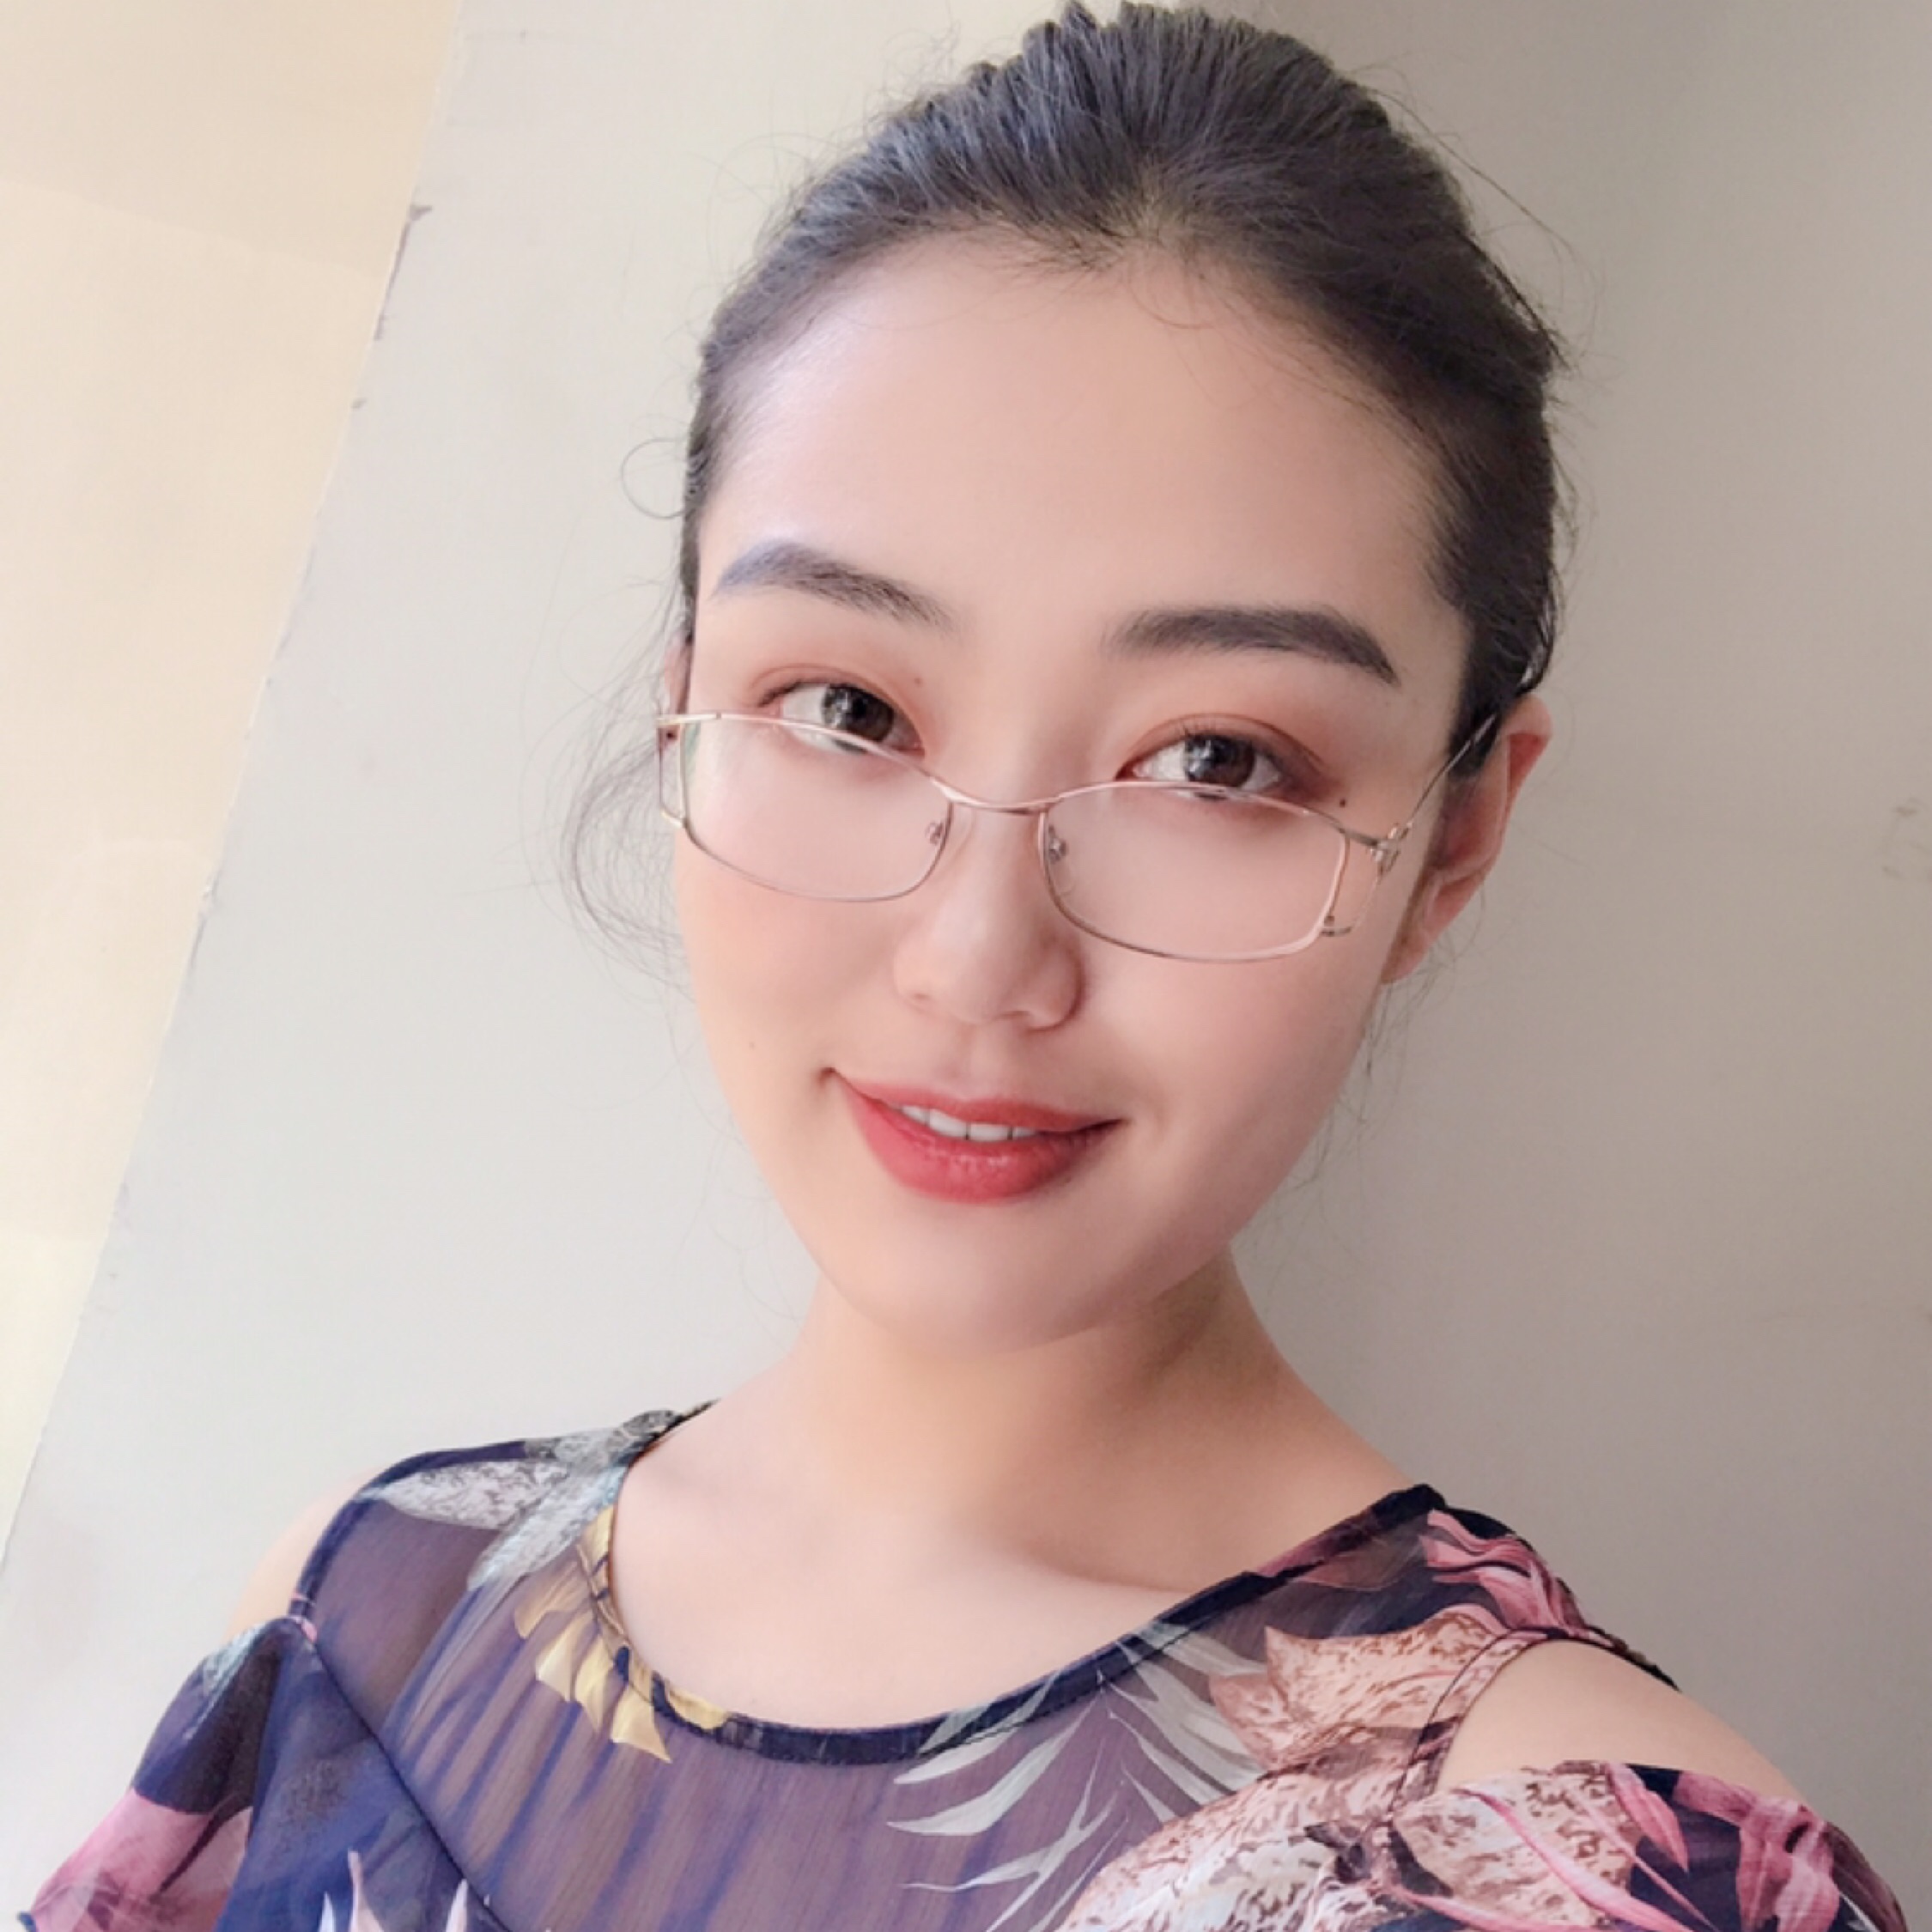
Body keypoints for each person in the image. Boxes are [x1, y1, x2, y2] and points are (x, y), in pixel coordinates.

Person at [22, 8, 1907, 1931]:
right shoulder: (366, 1618)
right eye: (845, 706)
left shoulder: (1593, 1870)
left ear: (1457, 836)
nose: (979, 957)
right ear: (686, 709)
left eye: (1219, 761)